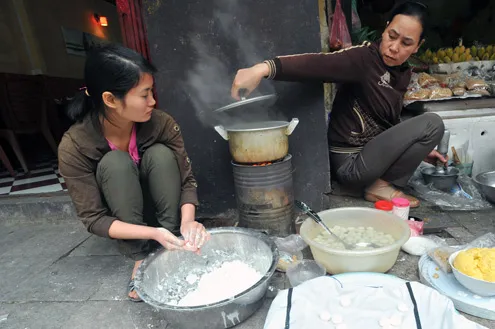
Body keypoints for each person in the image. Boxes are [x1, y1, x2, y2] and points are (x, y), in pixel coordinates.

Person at [230, 1, 447, 208]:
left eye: (406, 43)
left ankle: (379, 184)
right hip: (351, 164)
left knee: (426, 129)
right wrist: (262, 69)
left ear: (418, 46)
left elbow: (385, 119)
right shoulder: (363, 59)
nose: (394, 47)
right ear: (385, 28)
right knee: (432, 123)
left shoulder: (402, 73)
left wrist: (411, 147)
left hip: (372, 157)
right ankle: (379, 187)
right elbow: (319, 64)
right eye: (392, 36)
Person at [58, 44, 209, 302]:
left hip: (164, 211)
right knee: (115, 163)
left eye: (152, 91)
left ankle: (171, 244)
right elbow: (94, 219)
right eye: (144, 94)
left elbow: (186, 180)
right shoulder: (74, 146)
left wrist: (187, 223)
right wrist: (151, 234)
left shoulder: (161, 123)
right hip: (126, 221)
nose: (153, 101)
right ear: (110, 99)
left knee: (160, 154)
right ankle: (139, 259)